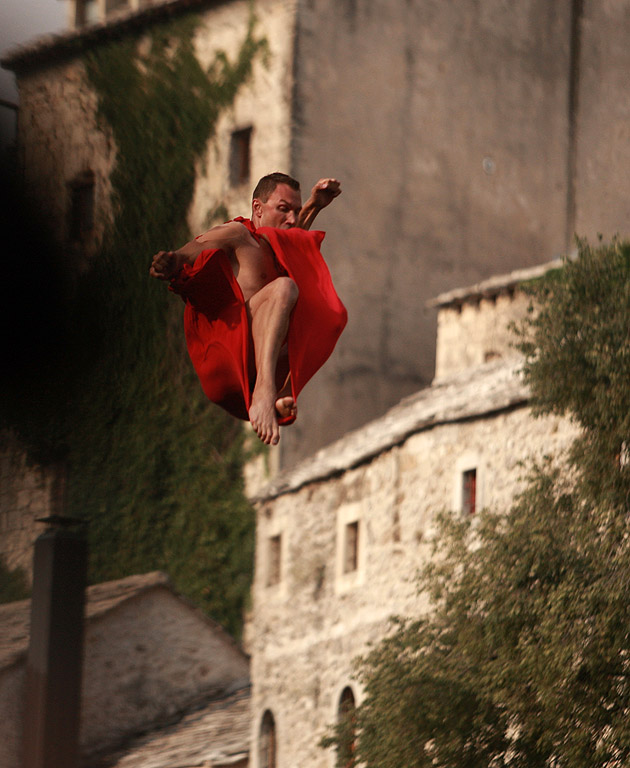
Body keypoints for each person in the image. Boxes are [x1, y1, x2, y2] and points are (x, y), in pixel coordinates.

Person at [150, 173, 347, 446]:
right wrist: (172, 262)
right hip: (228, 359)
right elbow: (195, 248)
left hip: (255, 362)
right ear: (257, 208)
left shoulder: (281, 243)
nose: (291, 218)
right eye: (282, 209)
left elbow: (294, 232)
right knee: (284, 288)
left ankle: (280, 392)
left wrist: (316, 204)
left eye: (296, 211)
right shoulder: (239, 235)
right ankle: (266, 393)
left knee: (327, 314)